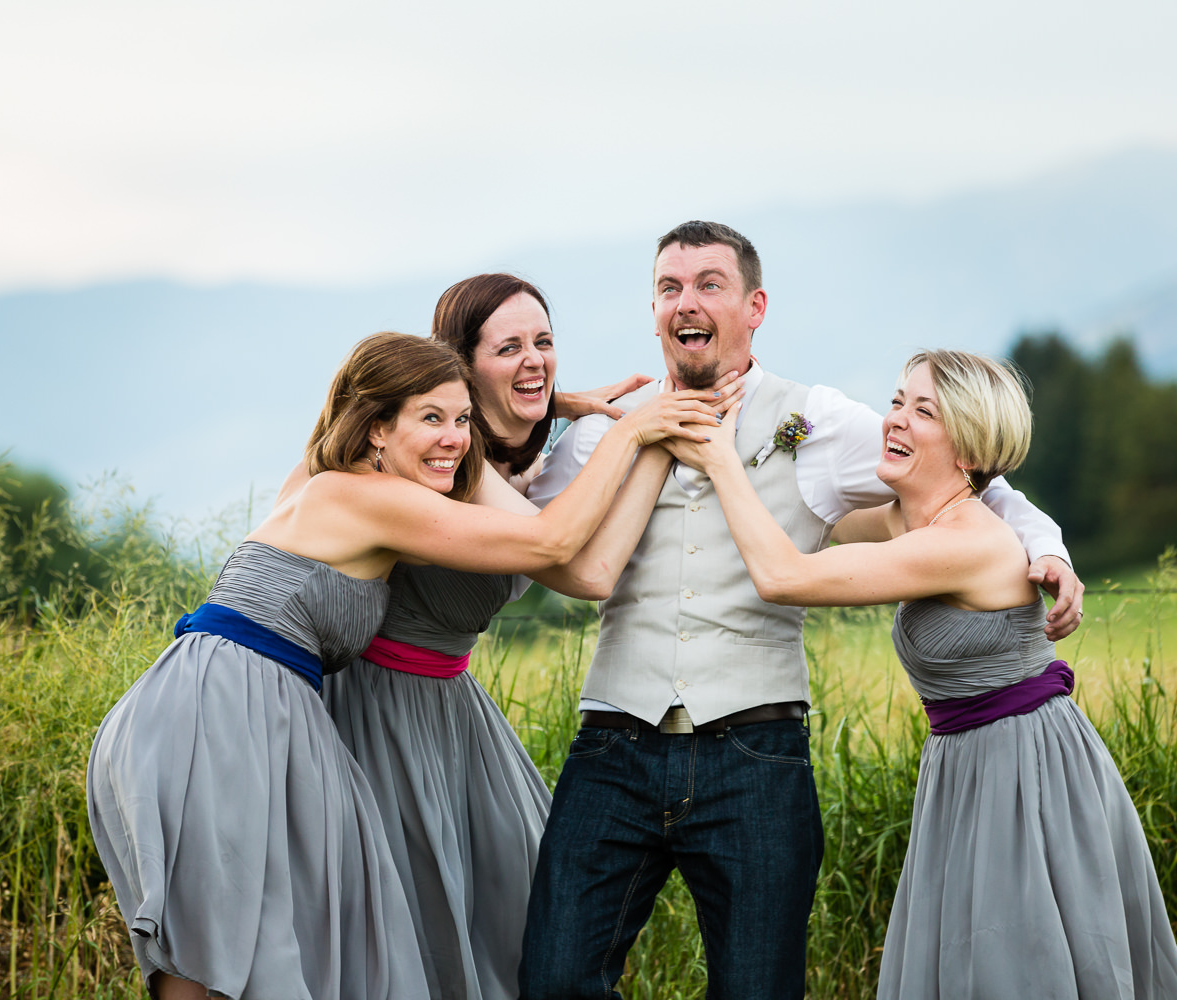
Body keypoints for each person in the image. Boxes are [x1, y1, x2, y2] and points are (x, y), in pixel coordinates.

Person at [518, 221, 1085, 999]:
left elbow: (966, 470)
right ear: (652, 310)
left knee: (760, 989)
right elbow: (520, 525)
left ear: (754, 306)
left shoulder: (814, 422)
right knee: (552, 981)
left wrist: (1045, 545)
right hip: (612, 744)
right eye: (669, 287)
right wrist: (554, 412)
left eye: (709, 284)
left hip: (756, 754)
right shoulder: (598, 436)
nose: (687, 301)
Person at [87, 332, 725, 1000]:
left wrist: (555, 404)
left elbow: (420, 420)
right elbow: (550, 540)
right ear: (375, 431)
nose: (454, 438)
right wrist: (635, 433)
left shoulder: (322, 478)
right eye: (431, 419)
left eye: (462, 420)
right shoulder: (367, 498)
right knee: (219, 953)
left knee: (253, 943)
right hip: (220, 712)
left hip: (240, 702)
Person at [672, 349, 1177, 998]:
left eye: (923, 411)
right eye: (897, 401)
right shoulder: (914, 520)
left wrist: (719, 457)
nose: (894, 419)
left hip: (1022, 773)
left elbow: (785, 577)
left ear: (969, 450)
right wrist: (770, 427)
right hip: (967, 769)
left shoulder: (965, 542)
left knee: (1016, 964)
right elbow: (812, 513)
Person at [307, 278, 728, 999]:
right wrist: (646, 435)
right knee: (411, 927)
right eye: (508, 347)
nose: (535, 360)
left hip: (453, 709)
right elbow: (587, 569)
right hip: (378, 712)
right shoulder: (441, 466)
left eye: (544, 342)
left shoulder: (500, 452)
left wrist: (569, 411)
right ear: (458, 367)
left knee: (524, 909)